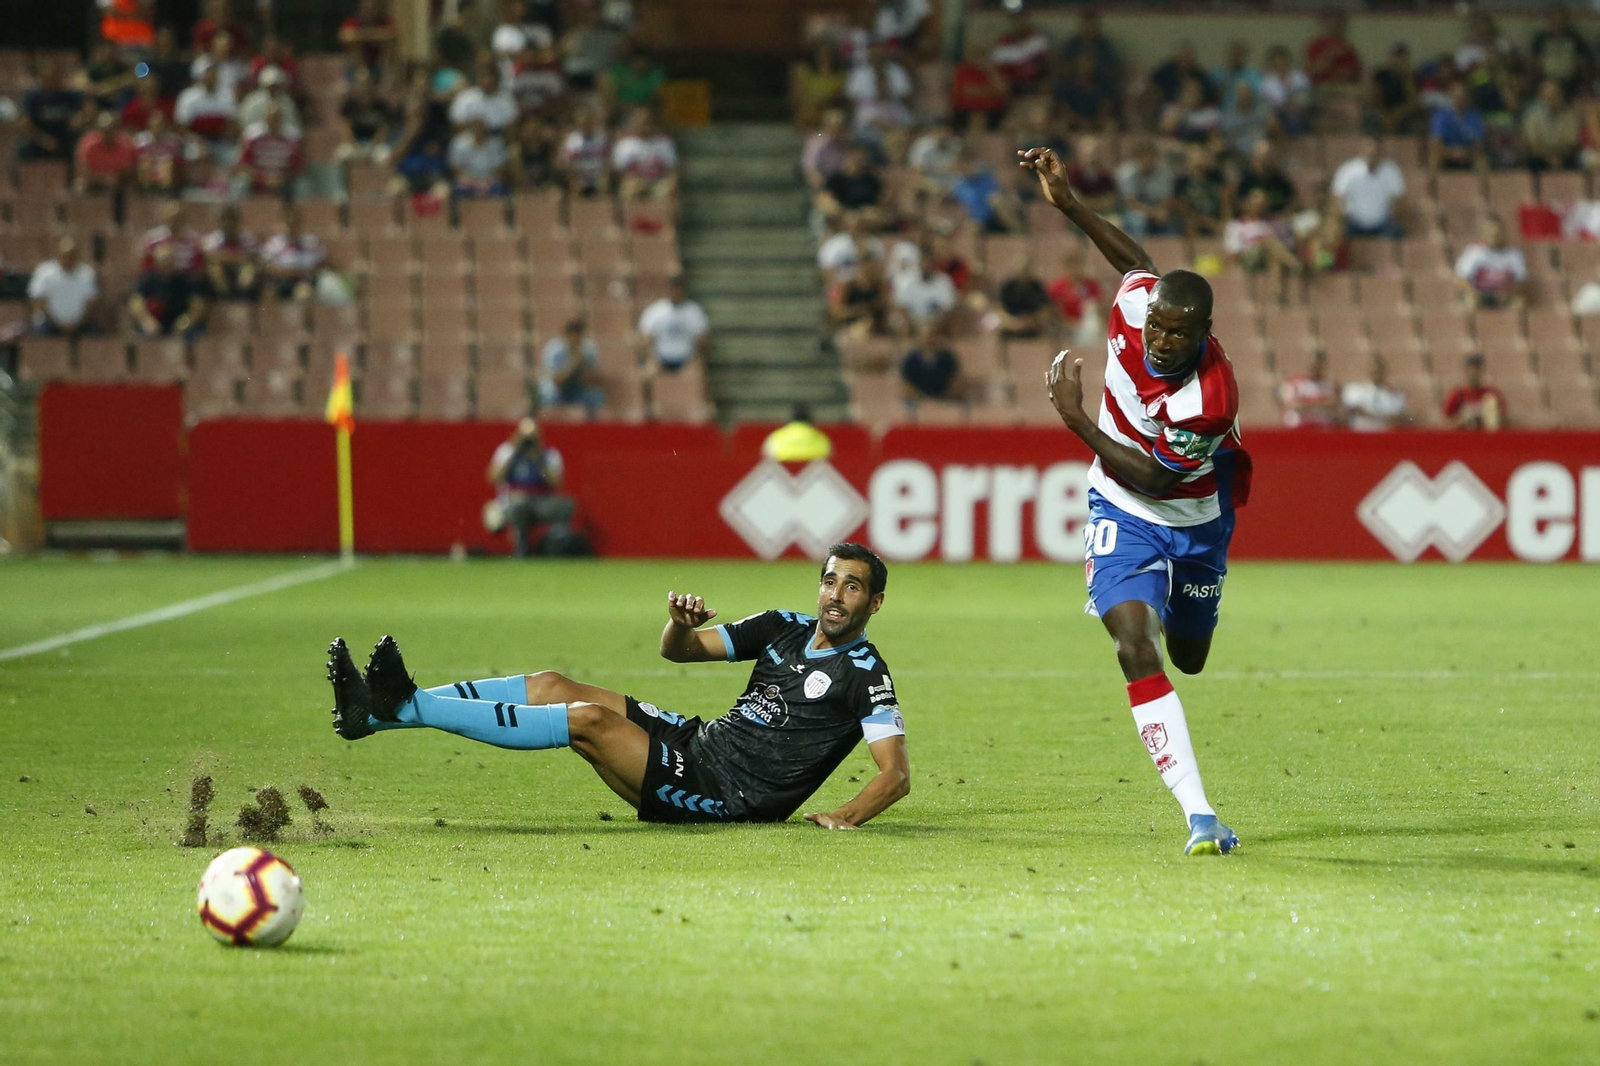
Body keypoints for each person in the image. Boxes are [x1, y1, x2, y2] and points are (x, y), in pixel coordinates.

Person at [326, 543, 909, 829]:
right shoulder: (783, 626)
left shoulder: (865, 675)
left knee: (590, 721)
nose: (835, 595)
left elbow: (895, 775)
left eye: (852, 587)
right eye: (830, 580)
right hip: (696, 743)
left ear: (874, 602)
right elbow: (678, 652)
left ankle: (406, 705)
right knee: (556, 683)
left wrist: (845, 816)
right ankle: (377, 714)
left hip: (727, 796)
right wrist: (679, 626)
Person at [1020, 143, 1250, 856]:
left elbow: (1157, 476)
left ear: (1204, 335)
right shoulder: (1137, 304)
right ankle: (1199, 813)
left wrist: (1076, 418)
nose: (1159, 339)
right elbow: (1134, 260)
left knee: (1190, 655)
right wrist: (1071, 205)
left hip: (1196, 519)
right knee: (1132, 644)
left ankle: (1193, 615)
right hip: (1121, 513)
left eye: (1178, 334)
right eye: (1157, 325)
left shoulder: (1208, 398)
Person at [484, 417, 578, 556]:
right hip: (515, 499)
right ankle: (521, 548)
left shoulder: (548, 455)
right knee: (518, 507)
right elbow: (493, 478)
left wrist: (540, 461)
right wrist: (514, 453)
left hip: (541, 500)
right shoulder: (507, 452)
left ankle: (556, 545)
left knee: (565, 505)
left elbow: (557, 483)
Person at [130, 244, 210, 337]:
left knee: (193, 333)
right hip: (156, 322)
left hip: (179, 322)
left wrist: (186, 321)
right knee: (143, 334)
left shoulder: (185, 280)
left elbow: (198, 303)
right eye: (164, 259)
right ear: (157, 261)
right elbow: (136, 301)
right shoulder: (147, 280)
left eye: (170, 259)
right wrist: (146, 320)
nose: (167, 263)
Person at [1331, 139, 1405, 239]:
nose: (1372, 155)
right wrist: (1343, 214)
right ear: (1362, 151)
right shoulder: (1349, 170)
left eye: (1375, 152)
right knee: (1336, 235)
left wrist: (1393, 214)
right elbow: (1337, 195)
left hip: (1382, 223)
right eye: (1369, 151)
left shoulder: (1391, 170)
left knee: (1398, 233)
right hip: (1355, 223)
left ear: (1381, 152)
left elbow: (1398, 198)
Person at [18, 63, 91, 161]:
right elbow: (24, 122)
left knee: (81, 146)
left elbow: (88, 108)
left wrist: (80, 118)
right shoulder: (33, 97)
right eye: (49, 79)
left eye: (55, 78)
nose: (53, 82)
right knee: (22, 148)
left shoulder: (70, 95)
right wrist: (43, 139)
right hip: (40, 139)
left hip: (66, 138)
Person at [637, 277, 709, 375]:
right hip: (661, 358)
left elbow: (702, 339)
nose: (676, 294)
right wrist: (651, 359)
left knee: (696, 373)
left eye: (679, 291)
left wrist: (695, 360)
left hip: (685, 359)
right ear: (669, 291)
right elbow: (646, 337)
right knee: (649, 371)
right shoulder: (656, 311)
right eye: (673, 291)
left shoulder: (694, 311)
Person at [27, 238, 98, 336]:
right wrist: (59, 324)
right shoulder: (44, 272)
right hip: (49, 323)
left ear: (77, 256)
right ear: (58, 255)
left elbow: (90, 303)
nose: (68, 259)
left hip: (79, 324)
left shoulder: (87, 273)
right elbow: (38, 302)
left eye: (72, 256)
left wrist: (76, 324)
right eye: (66, 256)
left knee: (95, 337)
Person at [1454, 216, 1527, 310]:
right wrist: (1474, 292)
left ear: (1503, 233)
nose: (1494, 237)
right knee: (1470, 301)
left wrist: (1508, 292)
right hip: (1478, 294)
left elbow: (1521, 280)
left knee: (1519, 304)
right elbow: (1461, 278)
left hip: (1503, 295)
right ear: (1485, 233)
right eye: (1491, 233)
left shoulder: (1514, 254)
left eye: (1497, 234)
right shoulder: (1473, 252)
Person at [236, 103, 305, 198]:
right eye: (272, 119)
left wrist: (282, 178)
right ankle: (236, 212)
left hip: (283, 180)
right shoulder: (254, 138)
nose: (274, 122)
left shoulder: (290, 139)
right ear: (266, 119)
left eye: (277, 119)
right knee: (240, 184)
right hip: (257, 178)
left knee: (302, 186)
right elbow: (244, 164)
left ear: (281, 120)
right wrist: (262, 177)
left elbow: (298, 166)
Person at [539, 318, 604, 417]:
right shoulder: (554, 349)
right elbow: (557, 380)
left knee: (596, 397)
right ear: (566, 335)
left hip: (577, 389)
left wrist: (582, 363)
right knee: (548, 397)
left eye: (579, 336)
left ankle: (591, 428)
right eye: (572, 336)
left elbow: (592, 380)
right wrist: (574, 363)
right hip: (556, 390)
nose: (576, 339)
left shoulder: (588, 349)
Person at [610, 109, 678, 203]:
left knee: (666, 190)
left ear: (653, 123)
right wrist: (634, 182)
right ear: (634, 123)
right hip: (634, 181)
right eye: (640, 122)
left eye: (647, 122)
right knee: (629, 189)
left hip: (658, 183)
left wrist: (672, 186)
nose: (644, 125)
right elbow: (619, 173)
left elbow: (672, 171)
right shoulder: (625, 144)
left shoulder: (664, 143)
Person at [260, 207, 327, 301]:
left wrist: (301, 272)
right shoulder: (274, 243)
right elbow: (267, 266)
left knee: (304, 292)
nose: (290, 226)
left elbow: (321, 263)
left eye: (294, 223)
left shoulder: (310, 241)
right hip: (279, 281)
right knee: (268, 293)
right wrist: (287, 272)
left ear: (299, 223)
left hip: (302, 282)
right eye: (287, 223)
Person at [1115, 142, 1177, 237]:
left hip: (1156, 209)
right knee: (1139, 222)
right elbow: (1132, 203)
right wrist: (1153, 213)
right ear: (1137, 158)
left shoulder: (1164, 174)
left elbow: (1166, 201)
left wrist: (1161, 212)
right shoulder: (1127, 173)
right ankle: (1138, 250)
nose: (1147, 160)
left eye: (1151, 157)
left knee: (1170, 224)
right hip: (1132, 211)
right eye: (1144, 157)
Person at [203, 204, 262, 302]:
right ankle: (224, 297)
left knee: (249, 267)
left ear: (238, 221)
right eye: (226, 220)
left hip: (239, 272)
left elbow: (252, 257)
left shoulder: (248, 239)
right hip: (222, 273)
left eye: (232, 220)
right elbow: (211, 257)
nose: (229, 224)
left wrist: (225, 256)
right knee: (215, 268)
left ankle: (242, 295)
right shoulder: (212, 239)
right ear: (221, 221)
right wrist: (237, 257)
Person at [1522, 79, 1580, 172]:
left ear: (1561, 96)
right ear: (1541, 96)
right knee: (1532, 161)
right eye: (1548, 96)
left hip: (1564, 158)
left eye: (1555, 95)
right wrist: (1548, 157)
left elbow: (1572, 143)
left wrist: (1558, 157)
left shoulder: (1569, 115)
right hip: (1540, 157)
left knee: (1575, 160)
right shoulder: (1533, 114)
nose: (1552, 100)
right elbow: (1531, 143)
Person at [73, 111, 138, 194]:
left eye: (112, 129)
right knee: (79, 186)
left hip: (119, 184)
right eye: (105, 130)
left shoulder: (126, 145)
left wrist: (116, 178)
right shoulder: (88, 144)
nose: (108, 133)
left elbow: (131, 171)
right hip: (93, 182)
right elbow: (82, 170)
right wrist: (102, 179)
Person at [1341, 354, 1408, 431]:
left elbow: (1397, 418)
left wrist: (1369, 414)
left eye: (1378, 368)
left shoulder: (1395, 395)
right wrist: (1383, 416)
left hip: (1385, 437)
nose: (1375, 371)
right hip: (1360, 436)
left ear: (1384, 371)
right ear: (1367, 369)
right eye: (1372, 367)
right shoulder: (1354, 390)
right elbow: (1351, 411)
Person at [1429, 83, 1486, 172]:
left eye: (1463, 98)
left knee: (1480, 157)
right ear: (1451, 97)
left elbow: (1479, 143)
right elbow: (1435, 142)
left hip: (1467, 154)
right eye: (1457, 97)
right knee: (1434, 156)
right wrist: (1451, 152)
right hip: (1446, 154)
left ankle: (1485, 185)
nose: (1460, 101)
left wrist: (1465, 152)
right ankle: (1432, 185)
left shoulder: (1474, 116)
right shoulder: (1441, 116)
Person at [899, 321, 962, 401]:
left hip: (943, 401)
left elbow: (955, 381)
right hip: (919, 402)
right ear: (919, 337)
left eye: (931, 335)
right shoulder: (911, 359)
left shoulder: (947, 357)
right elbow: (906, 385)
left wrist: (943, 399)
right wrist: (922, 399)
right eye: (925, 336)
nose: (928, 339)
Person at [1369, 44, 1423, 136]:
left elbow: (1414, 102)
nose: (1398, 60)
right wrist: (1384, 115)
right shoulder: (1381, 75)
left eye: (1402, 57)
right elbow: (1374, 99)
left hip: (1403, 114)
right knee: (1370, 117)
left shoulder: (1412, 76)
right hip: (1384, 112)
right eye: (1396, 56)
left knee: (1414, 121)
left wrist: (1406, 78)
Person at [1278, 350, 1341, 428]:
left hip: (1321, 419)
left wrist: (1308, 403)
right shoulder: (1295, 384)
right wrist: (1317, 403)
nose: (1314, 370)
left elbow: (1334, 402)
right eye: (1312, 367)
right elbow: (1290, 404)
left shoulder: (1329, 385)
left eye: (1317, 366)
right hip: (1300, 419)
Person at [1443, 354, 1506, 430]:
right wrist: (1462, 420)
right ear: (1465, 371)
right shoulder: (1457, 395)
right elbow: (1446, 424)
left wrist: (1492, 418)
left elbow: (1505, 422)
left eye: (1476, 369)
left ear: (1481, 371)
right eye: (1470, 370)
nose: (1473, 373)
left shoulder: (1491, 394)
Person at [996, 258, 1055, 338]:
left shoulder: (1037, 287)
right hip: (1011, 321)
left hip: (1033, 322)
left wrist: (1031, 320)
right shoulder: (1007, 287)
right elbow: (1000, 307)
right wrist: (1017, 322)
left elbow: (1045, 307)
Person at [340, 0, 398, 79]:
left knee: (390, 55)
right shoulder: (353, 22)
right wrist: (373, 35)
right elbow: (346, 36)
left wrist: (363, 35)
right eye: (366, 9)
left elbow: (391, 35)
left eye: (373, 8)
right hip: (357, 64)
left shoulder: (384, 21)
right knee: (353, 50)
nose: (369, 12)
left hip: (378, 64)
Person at [1305, 12, 1361, 88]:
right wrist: (1331, 55)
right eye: (1330, 22)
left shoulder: (1347, 46)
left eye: (1337, 23)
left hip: (1346, 86)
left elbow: (1354, 71)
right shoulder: (1316, 45)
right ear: (1324, 24)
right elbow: (1314, 70)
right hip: (1322, 86)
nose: (1333, 26)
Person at [762, 404, 833, 462]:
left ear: (790, 419)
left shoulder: (776, 437)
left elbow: (768, 455)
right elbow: (828, 454)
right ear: (811, 419)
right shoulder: (821, 438)